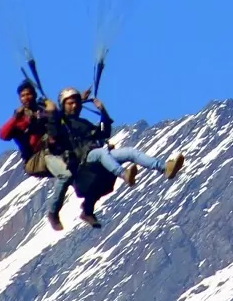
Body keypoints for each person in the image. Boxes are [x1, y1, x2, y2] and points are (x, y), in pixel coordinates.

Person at [46, 86, 185, 228]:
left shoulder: (84, 124)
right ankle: (124, 175)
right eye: (70, 103)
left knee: (129, 152)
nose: (74, 106)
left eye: (76, 103)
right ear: (63, 105)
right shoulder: (61, 124)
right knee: (101, 153)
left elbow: (103, 133)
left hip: (96, 156)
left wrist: (102, 111)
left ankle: (164, 168)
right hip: (83, 160)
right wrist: (77, 100)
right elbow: (53, 121)